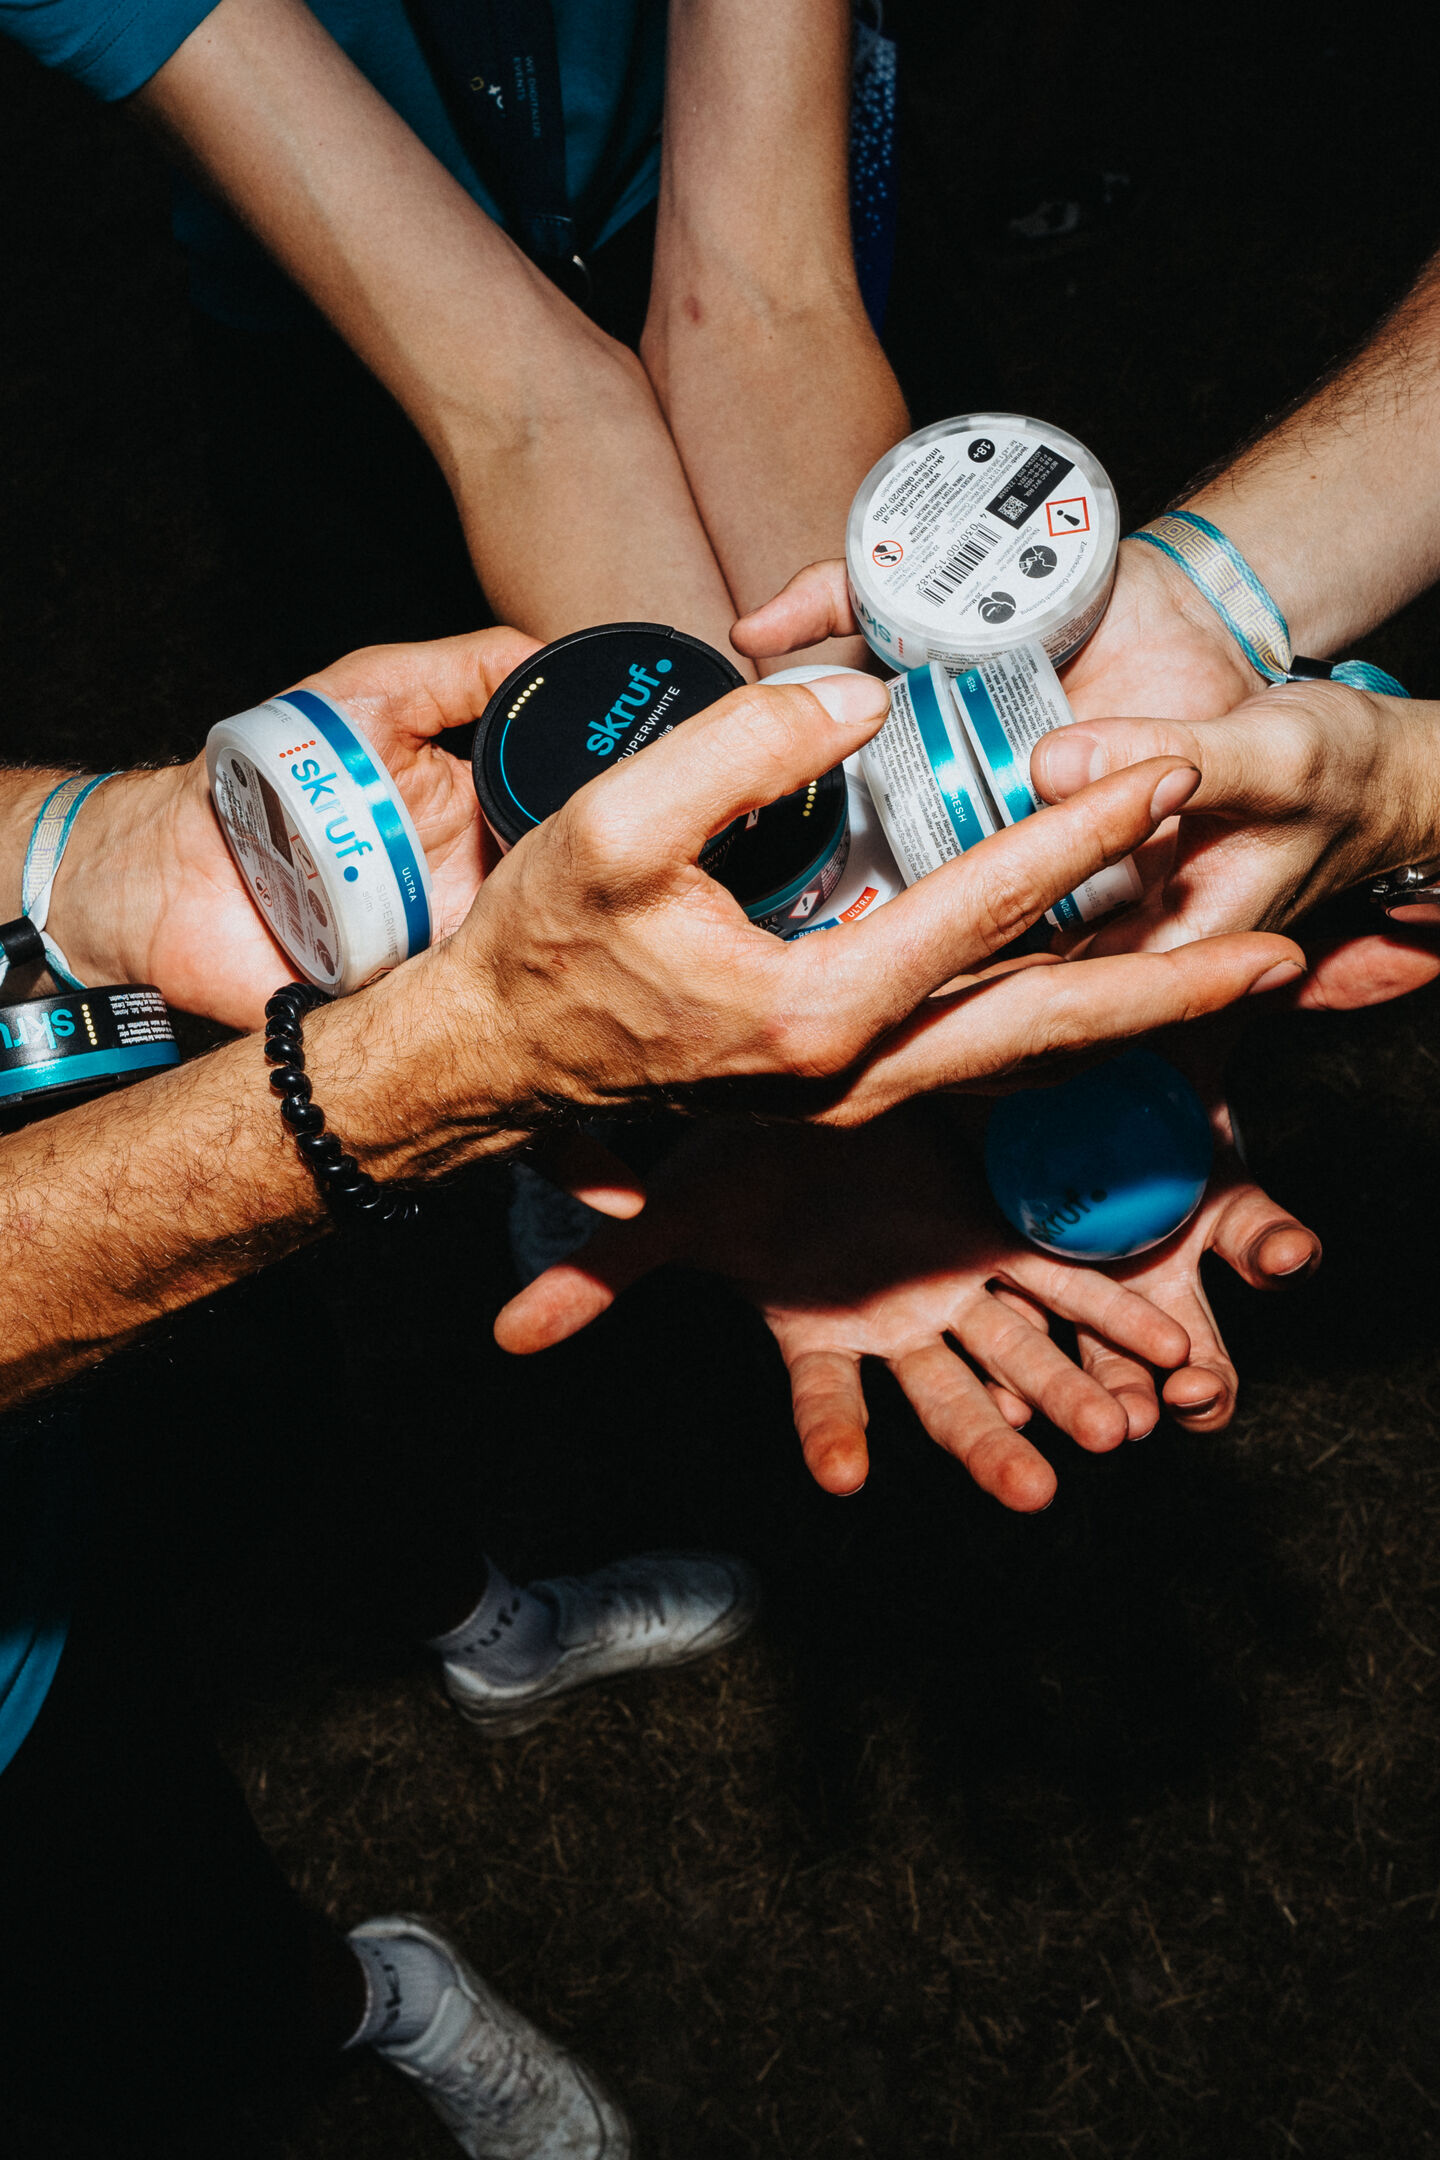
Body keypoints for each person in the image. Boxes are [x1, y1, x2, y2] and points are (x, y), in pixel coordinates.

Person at [0, 631, 1302, 2154]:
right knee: (141, 1939)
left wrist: (86, 854)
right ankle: (361, 2001)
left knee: (275, 1444)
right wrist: (432, 1074)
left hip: (106, 1310)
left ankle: (488, 1632)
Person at [0, 0, 907, 677]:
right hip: (343, 344)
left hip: (659, 169)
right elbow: (526, 411)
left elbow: (766, 300)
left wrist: (867, 806)